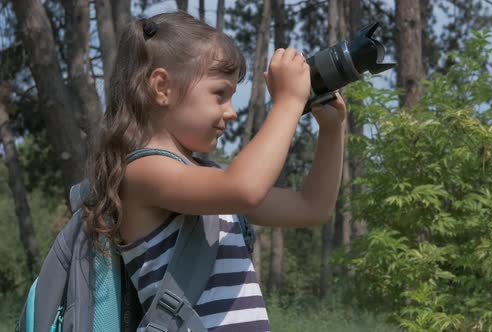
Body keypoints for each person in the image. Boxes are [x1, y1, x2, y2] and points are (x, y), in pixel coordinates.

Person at [82, 11, 346, 332]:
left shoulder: (209, 182)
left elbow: (312, 207)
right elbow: (244, 188)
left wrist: (332, 132)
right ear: (162, 87)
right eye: (220, 94)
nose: (231, 111)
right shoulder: (141, 171)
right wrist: (288, 103)